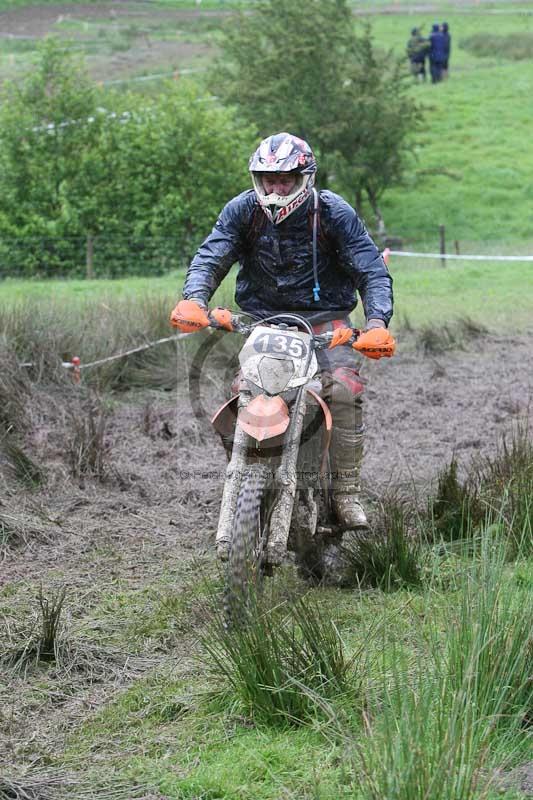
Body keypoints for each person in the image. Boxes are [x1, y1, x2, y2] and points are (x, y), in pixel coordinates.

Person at [170, 132, 395, 560]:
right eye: (267, 179)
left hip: (325, 322)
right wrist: (195, 298)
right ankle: (250, 475)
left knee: (344, 390)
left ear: (303, 177)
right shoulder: (243, 210)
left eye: (284, 180)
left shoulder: (332, 212)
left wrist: (377, 322)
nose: (275, 188)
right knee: (245, 393)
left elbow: (370, 269)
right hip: (263, 322)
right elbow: (212, 254)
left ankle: (345, 491)